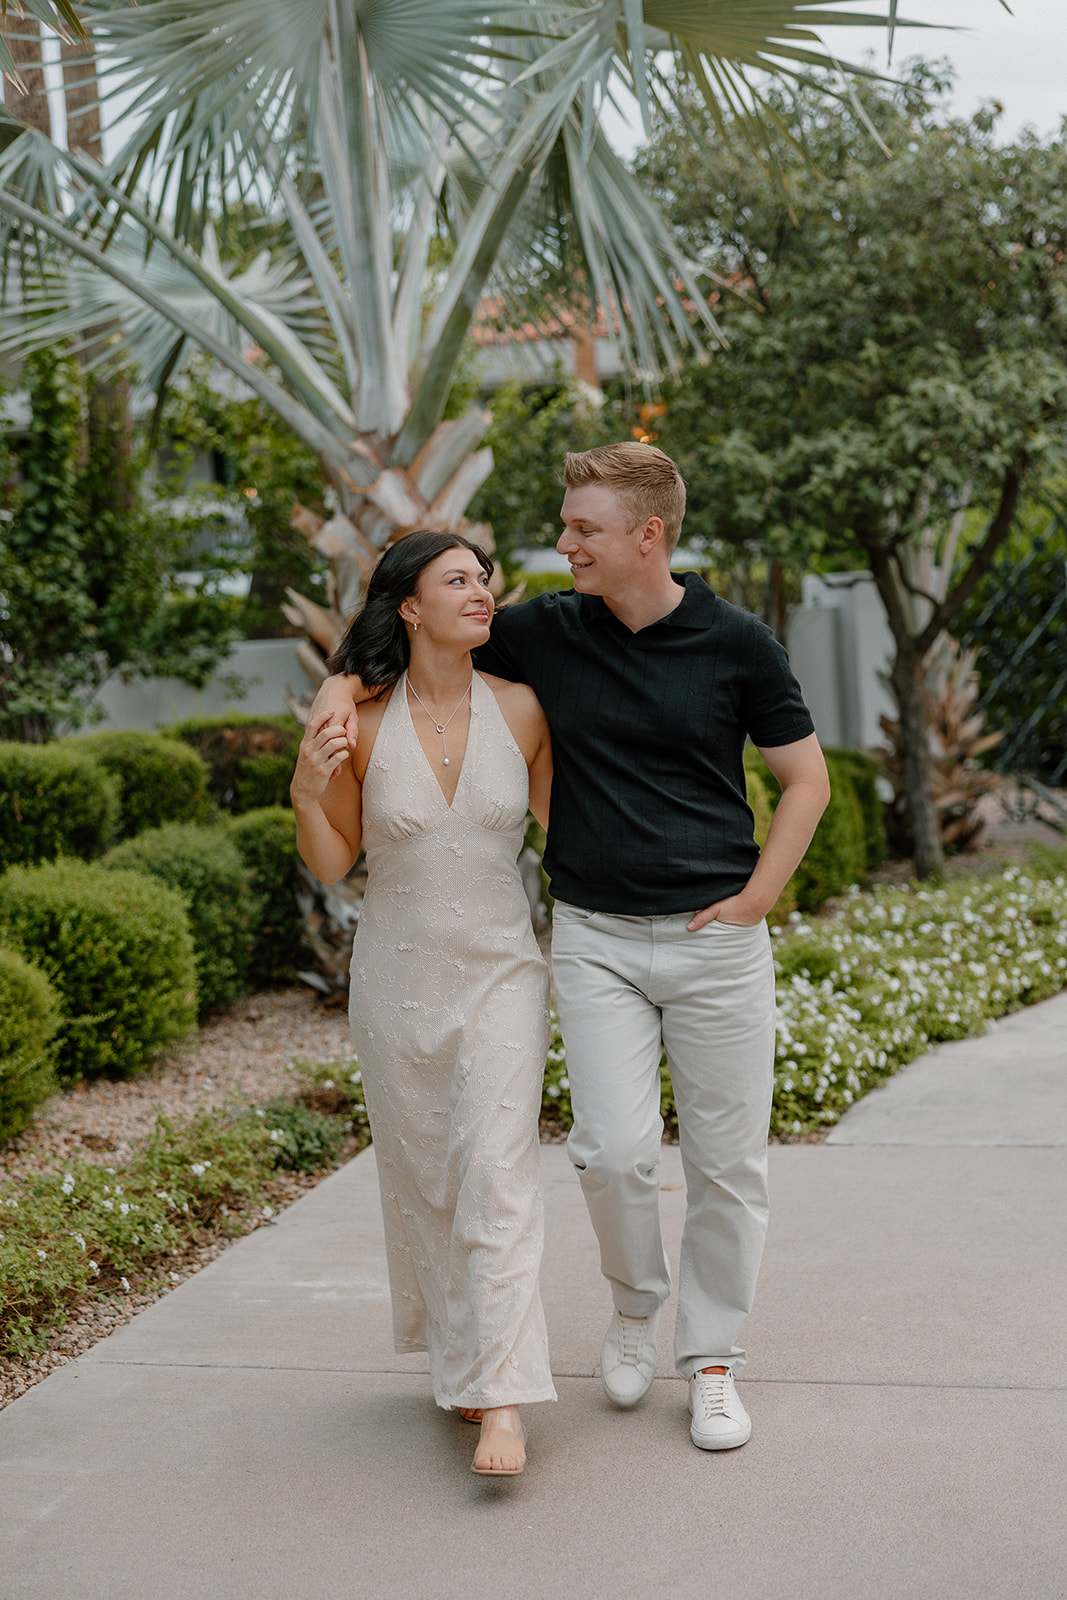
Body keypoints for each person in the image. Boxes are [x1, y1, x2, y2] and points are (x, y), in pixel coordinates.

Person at [311, 443, 830, 1454]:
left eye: (580, 528)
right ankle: (634, 1308)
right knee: (614, 1151)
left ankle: (710, 1356)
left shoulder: (737, 643)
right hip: (592, 936)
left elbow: (802, 780)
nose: (560, 544)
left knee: (727, 1166)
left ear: (648, 535)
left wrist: (757, 895)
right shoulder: (545, 630)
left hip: (715, 941)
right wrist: (330, 705)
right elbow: (402, 630)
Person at [291, 530, 556, 1477]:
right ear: (409, 606)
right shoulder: (356, 719)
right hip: (396, 984)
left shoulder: (523, 710)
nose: (481, 591)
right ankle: (467, 1369)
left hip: (502, 975)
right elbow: (334, 859)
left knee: (496, 1171)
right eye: (457, 580)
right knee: (429, 1186)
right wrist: (304, 791)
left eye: (483, 578)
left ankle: (506, 1403)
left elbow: (573, 837)